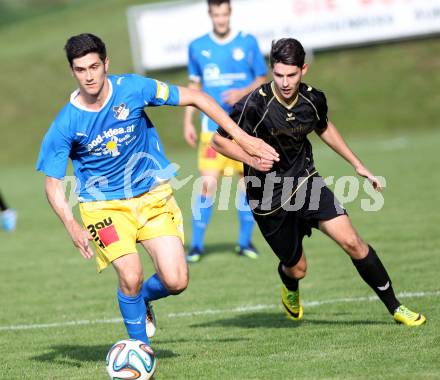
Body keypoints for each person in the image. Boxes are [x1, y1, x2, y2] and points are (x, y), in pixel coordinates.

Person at [36, 33, 278, 348]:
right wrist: (71, 224)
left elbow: (197, 97)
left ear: (106, 64)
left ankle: (139, 301)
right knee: (131, 274)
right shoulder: (66, 123)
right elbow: (52, 182)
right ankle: (141, 352)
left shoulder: (134, 89)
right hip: (103, 208)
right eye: (81, 69)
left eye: (94, 66)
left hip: (152, 197)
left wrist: (242, 139)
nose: (89, 75)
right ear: (73, 71)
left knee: (177, 280)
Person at [212, 38, 426, 326]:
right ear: (271, 71)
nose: (285, 82)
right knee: (297, 269)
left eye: (291, 75)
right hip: (267, 199)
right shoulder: (254, 104)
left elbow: (323, 127)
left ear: (304, 69)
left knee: (353, 242)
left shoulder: (313, 99)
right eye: (278, 75)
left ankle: (396, 308)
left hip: (305, 183)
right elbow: (218, 141)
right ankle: (289, 286)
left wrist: (357, 163)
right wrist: (251, 158)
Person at [184, 0, 268, 262]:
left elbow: (262, 78)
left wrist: (241, 93)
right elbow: (194, 87)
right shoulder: (198, 46)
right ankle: (196, 246)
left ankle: (244, 243)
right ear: (210, 15)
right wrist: (188, 120)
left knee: (248, 187)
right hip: (212, 131)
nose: (221, 19)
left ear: (230, 13)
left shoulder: (247, 42)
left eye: (224, 14)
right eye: (216, 14)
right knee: (207, 186)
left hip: (245, 130)